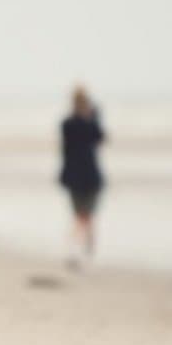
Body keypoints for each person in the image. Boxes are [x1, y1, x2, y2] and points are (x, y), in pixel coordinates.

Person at [59, 86, 106, 265]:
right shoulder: (78, 124)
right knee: (84, 215)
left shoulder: (68, 124)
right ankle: (82, 249)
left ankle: (84, 249)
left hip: (80, 176)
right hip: (85, 176)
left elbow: (98, 138)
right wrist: (94, 118)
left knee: (83, 215)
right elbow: (99, 138)